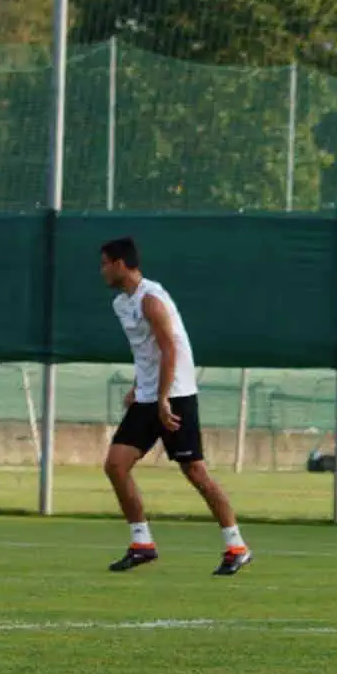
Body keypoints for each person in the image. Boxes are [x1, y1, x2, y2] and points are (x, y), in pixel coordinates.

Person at [98, 238, 251, 576]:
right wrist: (139, 387)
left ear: (121, 263)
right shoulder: (122, 304)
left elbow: (171, 350)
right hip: (149, 395)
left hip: (176, 395)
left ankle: (236, 546)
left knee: (195, 472)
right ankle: (142, 544)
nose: (102, 270)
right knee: (115, 465)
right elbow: (146, 352)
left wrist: (164, 398)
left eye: (105, 263)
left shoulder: (151, 300)